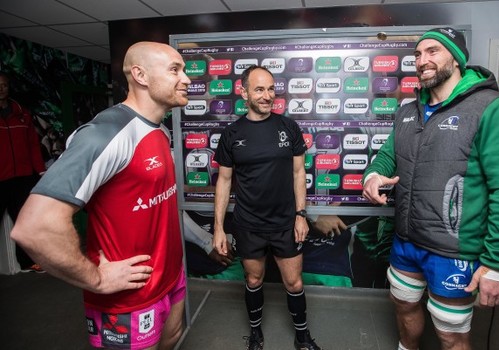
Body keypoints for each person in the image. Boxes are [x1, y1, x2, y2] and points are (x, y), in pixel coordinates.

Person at [11, 41, 191, 350]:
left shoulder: (159, 131)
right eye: (175, 70)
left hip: (171, 277)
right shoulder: (104, 134)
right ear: (141, 75)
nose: (186, 79)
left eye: (184, 70)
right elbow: (34, 227)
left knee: (172, 339)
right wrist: (95, 279)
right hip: (128, 297)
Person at [362, 27, 499, 350]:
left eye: (433, 52)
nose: (422, 60)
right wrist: (371, 177)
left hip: (454, 252)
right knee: (404, 306)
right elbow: (385, 158)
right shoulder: (407, 112)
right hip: (405, 243)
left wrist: (498, 264)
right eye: (417, 54)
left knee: (450, 334)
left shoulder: (492, 108)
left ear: (456, 59)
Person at [213, 65, 322, 350]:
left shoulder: (288, 127)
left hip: (286, 222)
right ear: (244, 92)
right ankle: (256, 334)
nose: (267, 96)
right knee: (253, 278)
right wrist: (218, 228)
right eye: (259, 89)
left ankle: (302, 336)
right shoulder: (232, 133)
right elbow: (224, 181)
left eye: (271, 89)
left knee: (294, 284)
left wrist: (301, 215)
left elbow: (299, 174)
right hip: (248, 223)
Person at [0, 71, 46, 273]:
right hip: (1, 177)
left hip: (23, 176)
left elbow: (33, 145)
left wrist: (41, 171)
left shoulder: (22, 113)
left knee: (24, 220)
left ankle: (27, 262)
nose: (1, 88)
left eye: (4, 85)